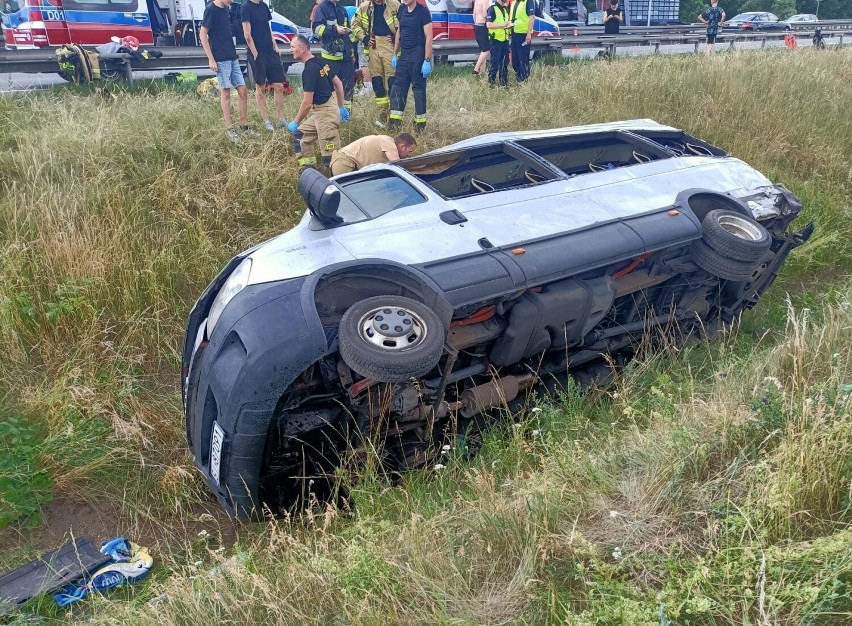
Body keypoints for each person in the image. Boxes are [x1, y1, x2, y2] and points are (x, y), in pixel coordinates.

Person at [287, 35, 350, 170]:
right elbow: (338, 84)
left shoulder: (309, 71)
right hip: (322, 112)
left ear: (302, 48)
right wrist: (340, 107)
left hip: (325, 115)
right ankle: (309, 173)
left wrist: (296, 121)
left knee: (331, 157)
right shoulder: (321, 62)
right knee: (300, 137)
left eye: (293, 47)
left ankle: (336, 185)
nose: (290, 50)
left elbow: (307, 103)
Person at [200, 0, 253, 143]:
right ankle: (230, 129)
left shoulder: (225, 8)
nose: (232, 1)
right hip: (220, 58)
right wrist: (211, 58)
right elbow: (203, 34)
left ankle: (244, 126)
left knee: (243, 91)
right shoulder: (211, 9)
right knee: (226, 93)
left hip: (232, 56)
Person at [241, 0, 288, 131]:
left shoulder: (263, 6)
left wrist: (275, 45)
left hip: (270, 51)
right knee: (261, 86)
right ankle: (266, 121)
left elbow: (268, 28)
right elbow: (247, 34)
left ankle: (281, 119)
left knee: (279, 85)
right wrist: (255, 53)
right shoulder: (246, 7)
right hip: (257, 52)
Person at [352, 0, 400, 122]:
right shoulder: (365, 7)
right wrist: (365, 38)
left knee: (392, 81)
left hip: (390, 45)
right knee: (377, 82)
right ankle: (383, 114)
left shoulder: (394, 4)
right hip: (373, 46)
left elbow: (405, 24)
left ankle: (395, 115)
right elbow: (354, 25)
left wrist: (396, 37)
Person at [389, 0, 432, 133]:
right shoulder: (401, 9)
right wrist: (395, 53)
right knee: (398, 87)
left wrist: (427, 60)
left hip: (418, 54)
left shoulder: (423, 12)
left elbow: (429, 36)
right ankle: (395, 123)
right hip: (404, 55)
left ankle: (420, 125)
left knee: (418, 89)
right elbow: (399, 33)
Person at [313, 0, 356, 111]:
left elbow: (348, 36)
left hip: (346, 58)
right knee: (331, 88)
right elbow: (316, 30)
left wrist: (352, 54)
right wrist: (334, 29)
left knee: (348, 88)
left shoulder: (342, 9)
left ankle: (346, 116)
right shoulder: (322, 8)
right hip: (330, 58)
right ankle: (332, 114)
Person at [329, 132, 417, 174]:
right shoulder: (388, 142)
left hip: (347, 163)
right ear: (402, 146)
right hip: (345, 162)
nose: (409, 155)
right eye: (410, 151)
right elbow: (397, 164)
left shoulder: (386, 149)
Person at [485, 0, 511, 88]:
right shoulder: (492, 9)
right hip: (496, 40)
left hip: (505, 40)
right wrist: (504, 25)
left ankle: (503, 83)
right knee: (495, 63)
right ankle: (491, 83)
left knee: (504, 63)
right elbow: (488, 25)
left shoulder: (504, 9)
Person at [509, 0, 536, 83]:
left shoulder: (528, 1)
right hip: (514, 33)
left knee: (523, 58)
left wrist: (528, 34)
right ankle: (518, 77)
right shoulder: (514, 2)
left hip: (523, 34)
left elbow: (532, 17)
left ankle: (524, 79)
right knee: (515, 59)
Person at [472, 0, 492, 76]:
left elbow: (474, 14)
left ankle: (482, 72)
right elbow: (484, 14)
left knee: (482, 50)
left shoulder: (477, 0)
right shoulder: (486, 0)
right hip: (482, 25)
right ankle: (476, 69)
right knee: (486, 49)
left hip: (476, 25)